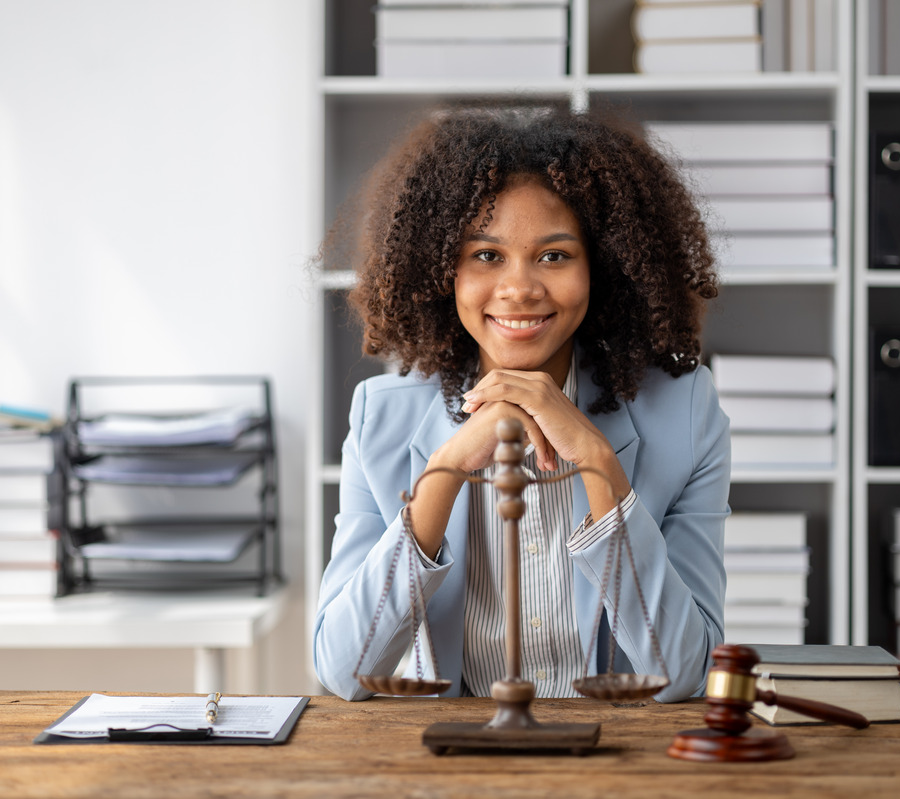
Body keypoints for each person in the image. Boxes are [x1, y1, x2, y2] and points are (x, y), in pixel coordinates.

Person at [313, 103, 730, 703]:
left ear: (603, 269)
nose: (519, 289)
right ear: (442, 271)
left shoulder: (685, 414)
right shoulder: (381, 417)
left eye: (554, 256)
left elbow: (685, 672)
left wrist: (594, 457)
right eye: (486, 255)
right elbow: (341, 668)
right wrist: (447, 470)